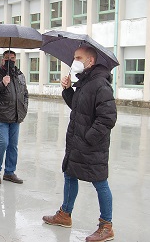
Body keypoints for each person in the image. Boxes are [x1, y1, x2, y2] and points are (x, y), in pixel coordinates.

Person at [42, 46, 117, 242]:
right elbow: (78, 107)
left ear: (90, 61)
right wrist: (67, 90)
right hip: (76, 142)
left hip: (91, 145)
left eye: (78, 57)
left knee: (100, 182)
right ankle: (65, 215)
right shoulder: (85, 82)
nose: (74, 61)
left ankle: (106, 225)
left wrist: (89, 138)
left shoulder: (100, 84)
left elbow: (107, 118)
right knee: (69, 175)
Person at [0, 50, 28, 185]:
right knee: (3, 143)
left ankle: (9, 172)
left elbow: (25, 93)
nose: (11, 60)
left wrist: (24, 108)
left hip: (16, 116)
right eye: (7, 58)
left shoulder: (20, 75)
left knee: (13, 146)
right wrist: (2, 84)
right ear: (2, 60)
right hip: (0, 115)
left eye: (13, 58)